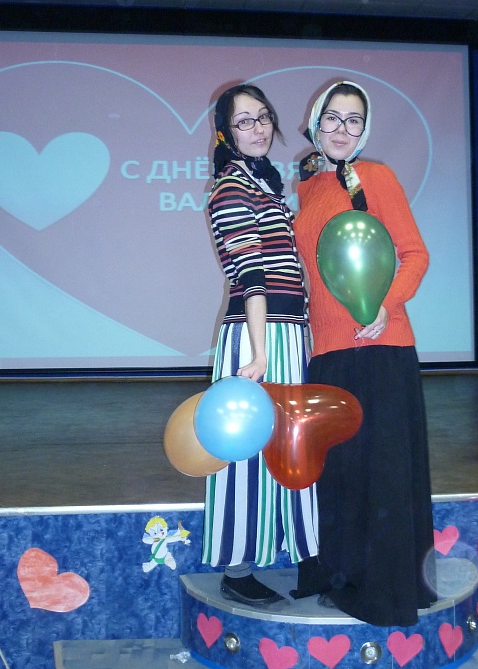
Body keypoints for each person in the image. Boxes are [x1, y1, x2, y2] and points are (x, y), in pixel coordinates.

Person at [292, 80, 436, 627]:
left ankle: (385, 590)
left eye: (353, 120)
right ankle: (344, 575)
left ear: (364, 129)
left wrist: (385, 304)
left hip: (380, 346)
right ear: (315, 121)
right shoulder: (308, 187)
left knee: (381, 476)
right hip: (328, 353)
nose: (342, 129)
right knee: (343, 474)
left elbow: (414, 255)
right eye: (332, 117)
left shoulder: (377, 177)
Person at [201, 84, 318, 607]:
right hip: (259, 338)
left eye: (264, 116)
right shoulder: (231, 187)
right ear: (226, 133)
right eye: (245, 120)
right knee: (245, 451)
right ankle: (237, 570)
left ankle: (307, 554)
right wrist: (261, 352)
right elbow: (251, 277)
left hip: (285, 334)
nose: (259, 128)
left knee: (293, 444)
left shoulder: (265, 186)